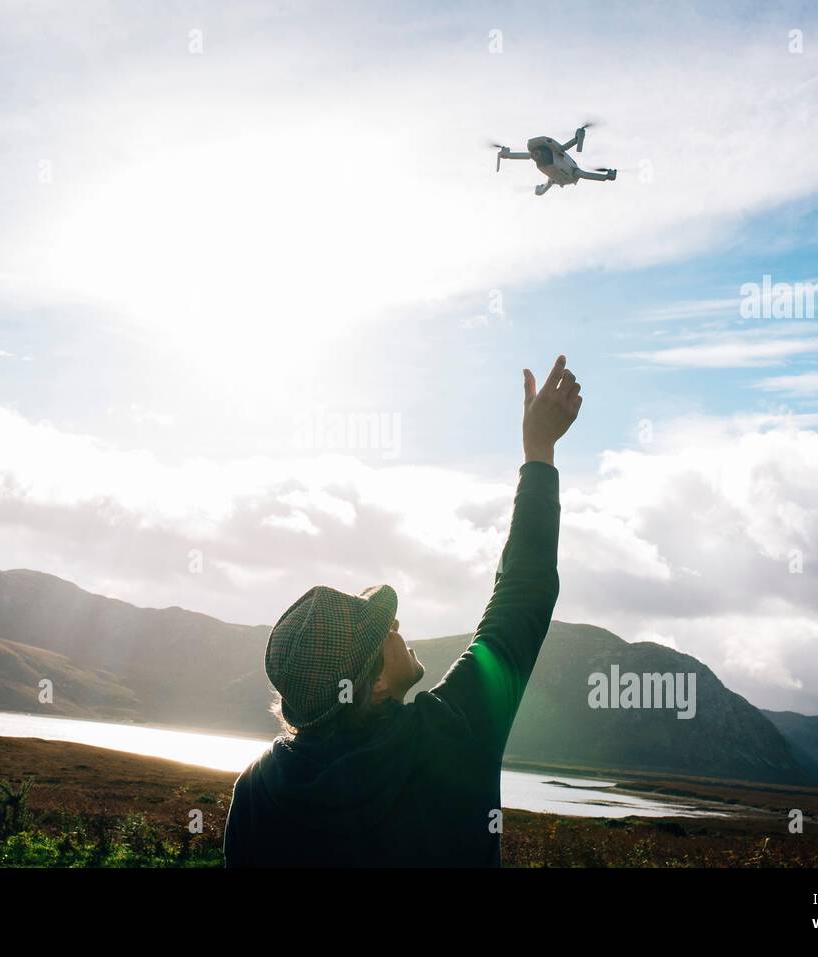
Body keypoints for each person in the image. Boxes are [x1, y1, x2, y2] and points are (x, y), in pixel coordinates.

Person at [223, 355, 580, 866]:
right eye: (380, 634)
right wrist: (538, 451)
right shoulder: (452, 736)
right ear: (374, 686)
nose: (395, 625)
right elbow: (522, 594)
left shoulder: (258, 790)